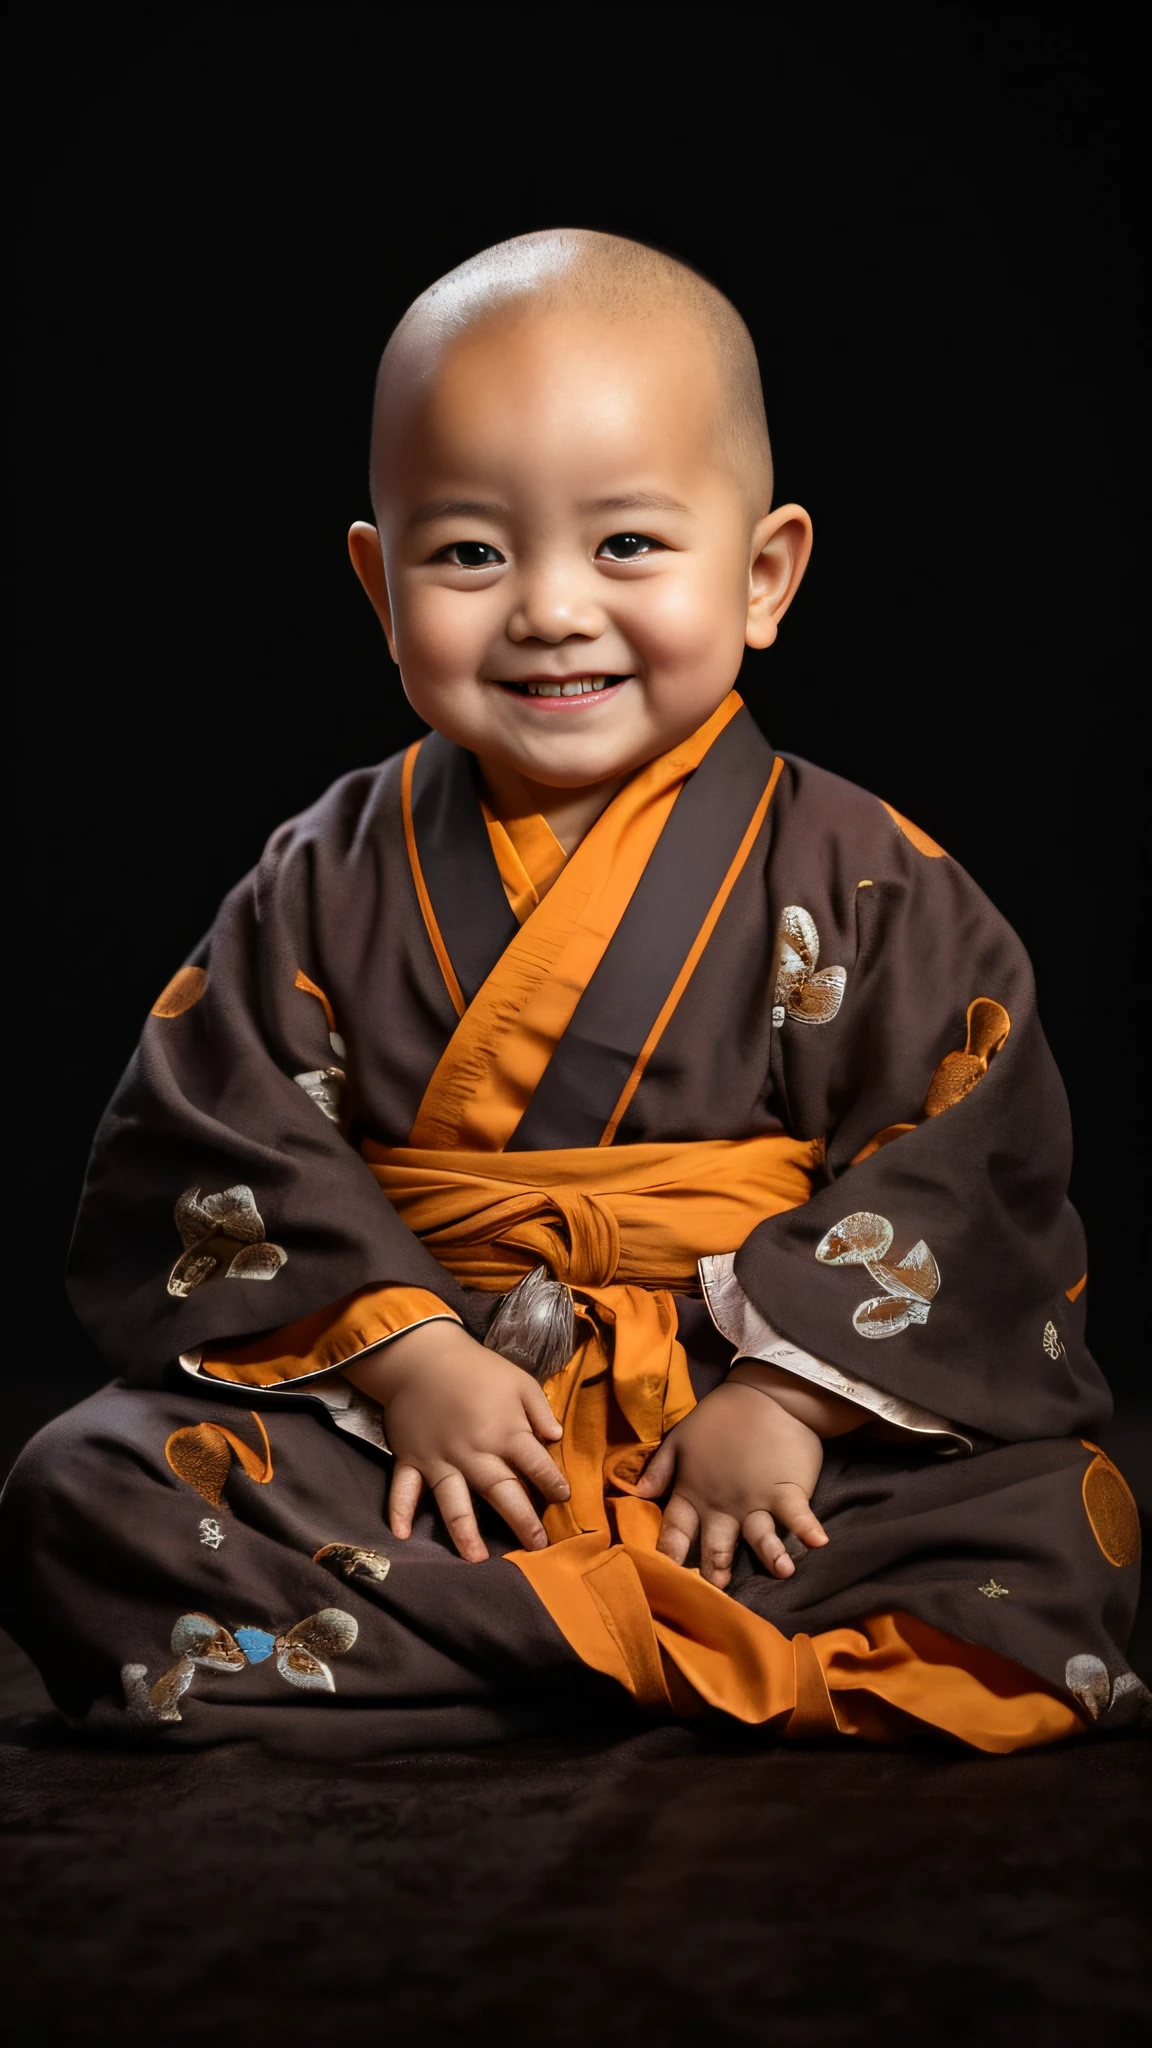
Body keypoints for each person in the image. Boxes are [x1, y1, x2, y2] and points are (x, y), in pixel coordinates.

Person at [1, 230, 1143, 1756]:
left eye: (627, 547)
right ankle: (635, 1654)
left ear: (763, 575)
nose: (548, 608)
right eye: (469, 551)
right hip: (433, 1440)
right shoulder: (324, 876)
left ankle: (490, 1668)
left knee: (1057, 1516)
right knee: (84, 1492)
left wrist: (787, 1407)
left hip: (745, 1455)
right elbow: (218, 1143)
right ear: (378, 582)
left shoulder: (872, 876)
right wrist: (413, 1366)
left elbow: (969, 1171)